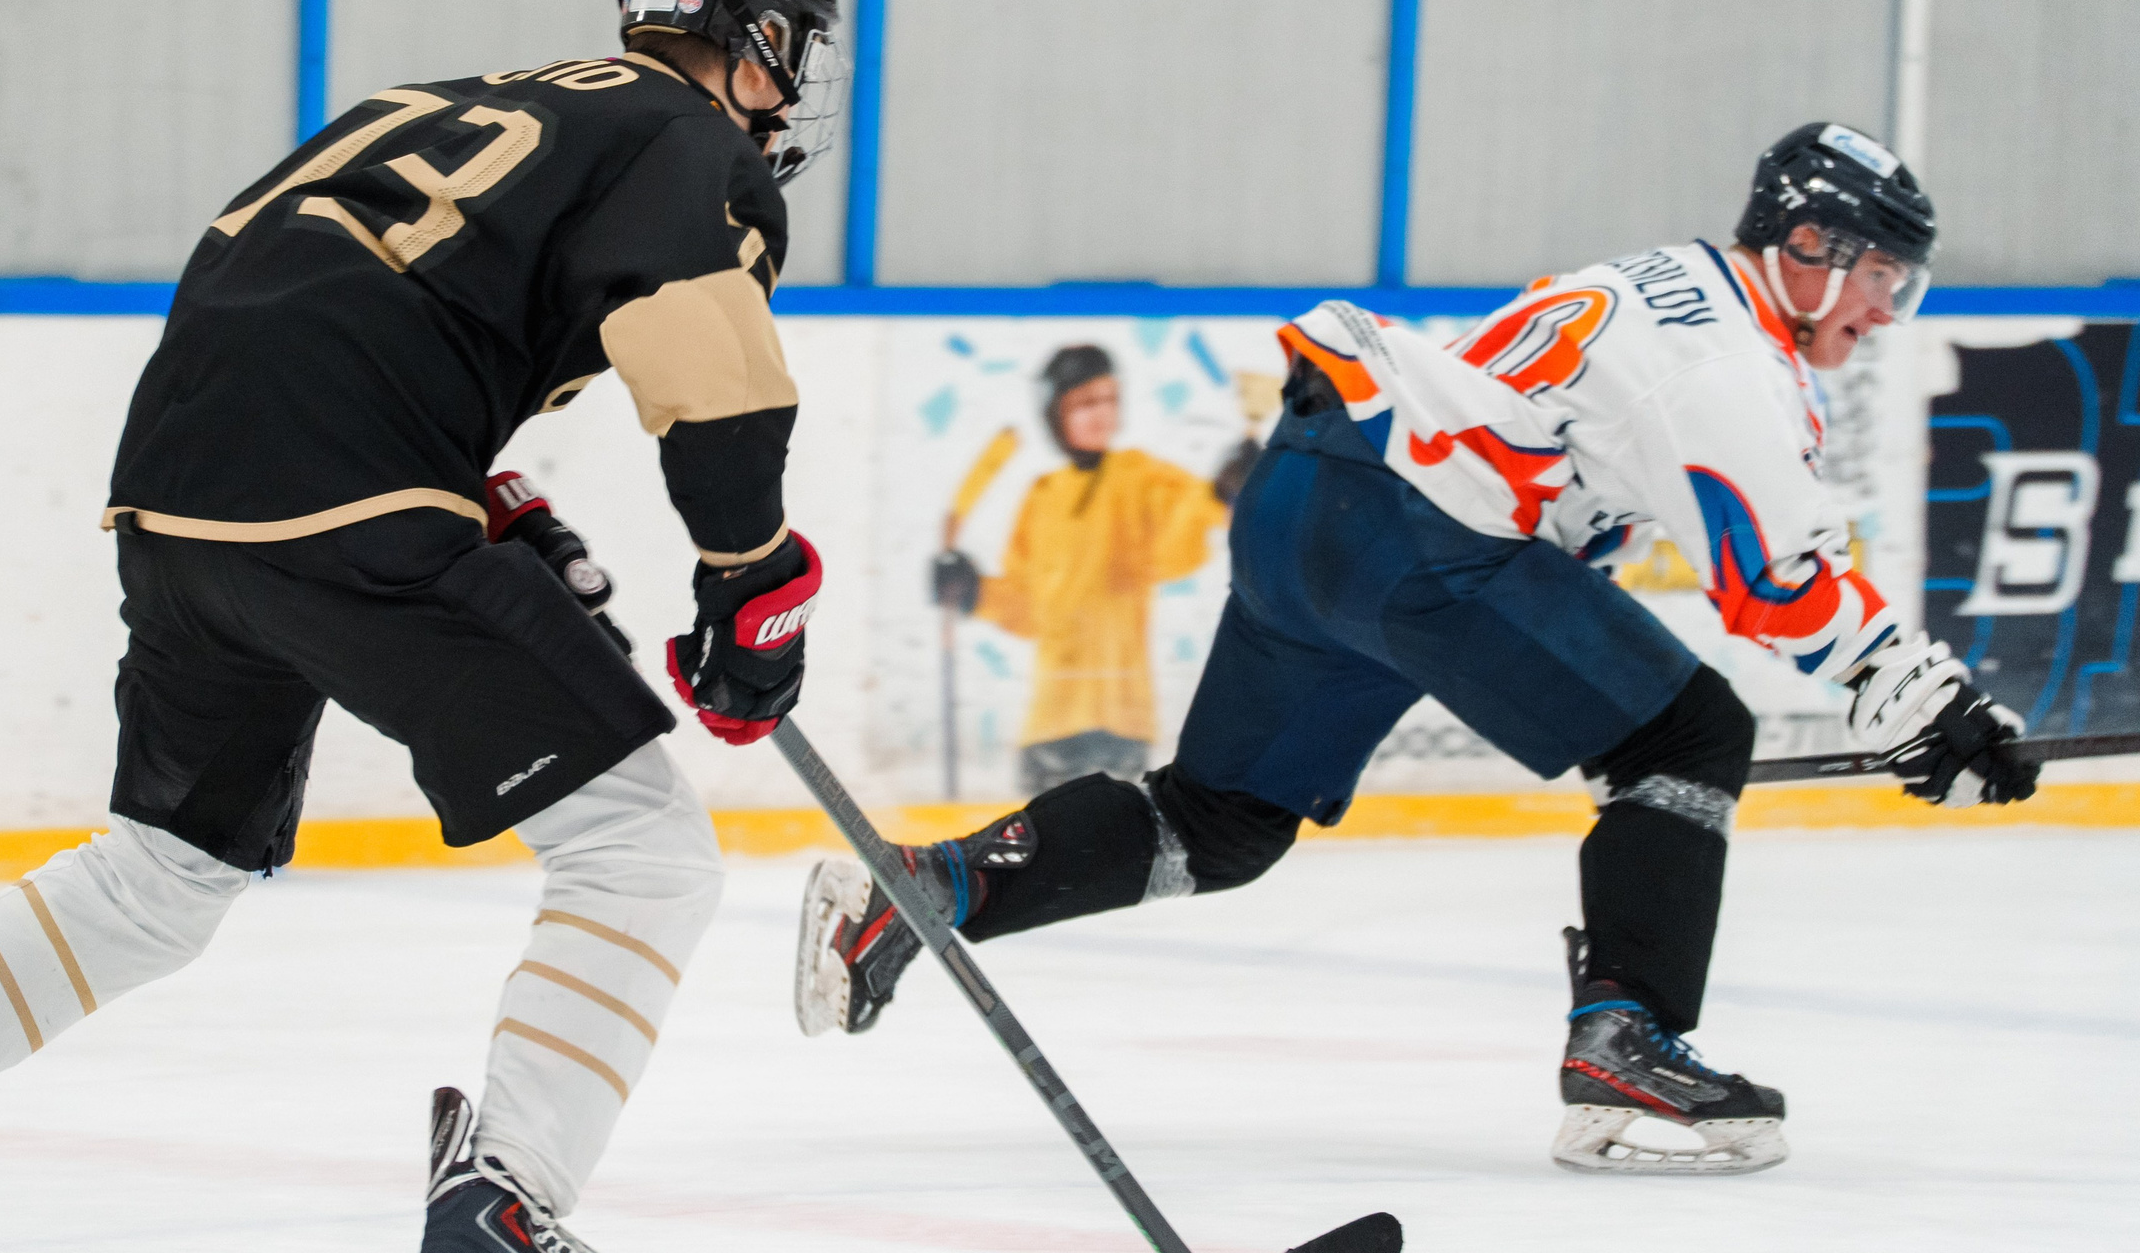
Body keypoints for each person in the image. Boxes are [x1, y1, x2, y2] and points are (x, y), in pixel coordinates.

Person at [0, 0, 843, 1253]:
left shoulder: (454, 98)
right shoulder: (687, 141)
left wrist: (478, 494)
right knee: (643, 850)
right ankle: (503, 1201)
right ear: (751, 35)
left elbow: (310, 292)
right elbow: (710, 369)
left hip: (177, 493)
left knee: (159, 874)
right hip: (354, 497)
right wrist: (752, 580)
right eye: (788, 44)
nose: (786, 83)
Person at [798, 123, 2039, 1176]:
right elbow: (1770, 575)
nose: (1887, 308)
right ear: (1806, 250)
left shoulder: (1677, 284)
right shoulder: (1723, 361)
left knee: (1220, 823)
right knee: (1688, 733)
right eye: (1880, 273)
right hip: (1415, 541)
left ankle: (919, 889)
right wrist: (1925, 708)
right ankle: (1625, 1051)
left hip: (1315, 497)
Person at [930, 346, 1253, 790]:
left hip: (1122, 717)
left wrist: (1219, 495)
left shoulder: (1141, 476)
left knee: (1117, 848)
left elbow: (1176, 551)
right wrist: (973, 591)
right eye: (1085, 402)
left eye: (1109, 399)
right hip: (1048, 720)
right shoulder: (1040, 497)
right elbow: (1029, 609)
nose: (1101, 412)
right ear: (1054, 413)